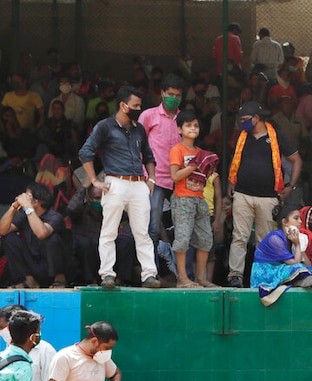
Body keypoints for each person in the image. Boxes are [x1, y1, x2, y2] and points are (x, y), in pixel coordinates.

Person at [78, 86, 160, 289]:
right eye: (136, 106)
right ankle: (107, 275)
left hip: (138, 183)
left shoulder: (139, 128)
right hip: (115, 181)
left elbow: (149, 156)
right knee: (109, 231)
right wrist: (94, 181)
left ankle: (148, 275)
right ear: (123, 106)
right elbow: (85, 153)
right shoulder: (105, 126)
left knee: (142, 232)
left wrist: (151, 180)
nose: (139, 109)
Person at [227, 101, 302, 288]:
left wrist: (291, 186)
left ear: (257, 118)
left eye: (245, 120)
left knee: (266, 239)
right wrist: (230, 182)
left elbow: (297, 160)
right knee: (239, 237)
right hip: (242, 194)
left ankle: (264, 276)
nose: (241, 123)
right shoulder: (241, 137)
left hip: (269, 197)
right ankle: (235, 276)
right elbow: (235, 160)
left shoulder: (276, 136)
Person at [169, 109, 217, 288]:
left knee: (206, 240)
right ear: (179, 129)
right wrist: (194, 165)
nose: (193, 128)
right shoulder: (177, 149)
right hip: (182, 199)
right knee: (182, 239)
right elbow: (174, 176)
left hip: (199, 198)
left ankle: (201, 278)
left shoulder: (200, 151)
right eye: (188, 125)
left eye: (196, 125)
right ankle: (182, 278)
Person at [139, 74, 184, 262]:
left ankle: (181, 274)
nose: (173, 98)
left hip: (179, 179)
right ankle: (151, 271)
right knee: (153, 227)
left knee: (183, 228)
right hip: (155, 179)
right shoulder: (149, 116)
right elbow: (137, 145)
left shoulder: (184, 118)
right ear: (162, 93)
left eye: (177, 95)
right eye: (170, 94)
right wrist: (144, 175)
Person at [250, 206, 312, 306]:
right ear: (285, 222)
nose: (300, 222)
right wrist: (298, 245)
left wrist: (300, 247)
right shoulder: (275, 238)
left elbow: (309, 264)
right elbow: (295, 263)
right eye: (296, 218)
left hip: (283, 268)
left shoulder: (293, 237)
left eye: (300, 219)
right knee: (298, 268)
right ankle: (298, 281)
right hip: (266, 271)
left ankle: (298, 280)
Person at [0, 183, 67, 288]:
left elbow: (42, 233)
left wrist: (28, 207)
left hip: (50, 267)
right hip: (32, 264)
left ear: (37, 202)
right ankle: (29, 280)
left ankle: (59, 280)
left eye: (28, 196)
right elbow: (2, 230)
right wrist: (13, 208)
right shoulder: (24, 216)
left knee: (51, 239)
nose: (23, 198)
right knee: (8, 237)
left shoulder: (54, 216)